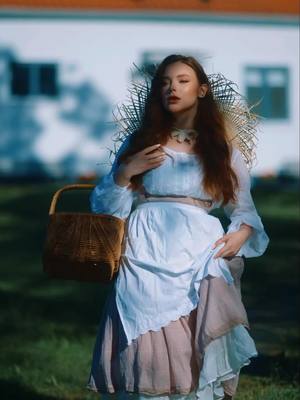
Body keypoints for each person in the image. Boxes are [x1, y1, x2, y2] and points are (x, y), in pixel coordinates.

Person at [86, 54, 270, 400]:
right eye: (165, 82)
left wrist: (241, 233)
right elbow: (105, 209)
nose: (173, 88)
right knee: (144, 338)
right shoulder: (141, 143)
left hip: (199, 254)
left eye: (183, 80)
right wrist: (125, 173)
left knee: (189, 340)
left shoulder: (221, 150)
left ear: (201, 90)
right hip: (144, 251)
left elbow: (244, 210)